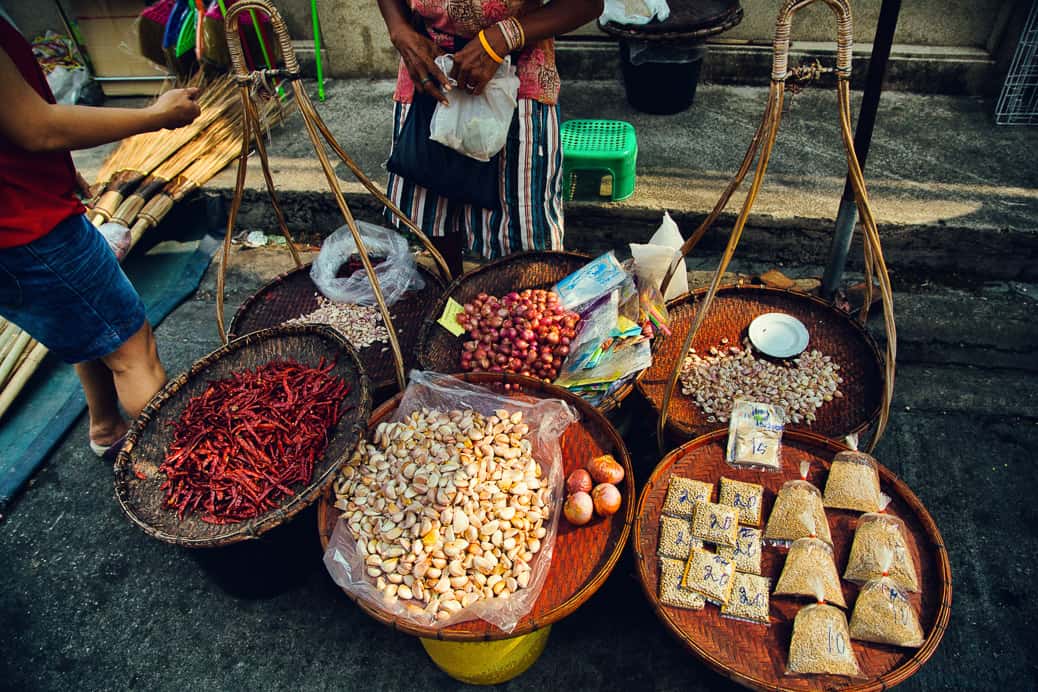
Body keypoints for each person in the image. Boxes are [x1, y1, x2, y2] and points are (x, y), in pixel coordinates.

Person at [0, 17, 200, 459]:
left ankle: (107, 430)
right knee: (132, 349)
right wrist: (156, 116)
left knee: (83, 325)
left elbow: (17, 126)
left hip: (16, 225)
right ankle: (179, 471)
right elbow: (36, 126)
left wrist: (55, 165)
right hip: (29, 228)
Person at [378, 0, 603, 274]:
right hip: (429, 68)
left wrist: (504, 36)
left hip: (517, 78)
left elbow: (588, 4)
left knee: (523, 240)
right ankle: (449, 292)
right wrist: (399, 30)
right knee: (433, 212)